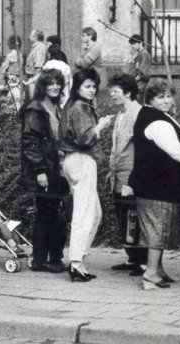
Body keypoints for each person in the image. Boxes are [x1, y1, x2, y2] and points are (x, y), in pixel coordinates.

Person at [131, 78, 180, 290]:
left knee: (161, 227)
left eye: (169, 96)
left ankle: (157, 269)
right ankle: (150, 274)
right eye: (161, 97)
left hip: (157, 184)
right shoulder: (155, 120)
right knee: (157, 229)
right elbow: (176, 152)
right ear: (150, 99)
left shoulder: (154, 115)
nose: (167, 101)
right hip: (156, 184)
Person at [59, 68, 112, 282]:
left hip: (73, 160)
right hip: (82, 159)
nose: (92, 90)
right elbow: (85, 138)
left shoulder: (71, 105)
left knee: (94, 213)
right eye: (87, 86)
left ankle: (79, 258)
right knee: (85, 214)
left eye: (94, 86)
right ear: (78, 87)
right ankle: (75, 263)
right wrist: (101, 126)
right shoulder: (81, 107)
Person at [20, 70, 68, 273]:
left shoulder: (55, 106)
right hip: (44, 169)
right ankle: (42, 259)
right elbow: (30, 141)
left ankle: (51, 257)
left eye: (58, 83)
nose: (55, 87)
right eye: (50, 83)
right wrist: (40, 170)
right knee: (46, 214)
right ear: (43, 86)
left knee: (53, 213)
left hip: (56, 168)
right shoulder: (35, 109)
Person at [106, 74, 147, 273]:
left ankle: (143, 261)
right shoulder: (120, 114)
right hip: (118, 175)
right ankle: (132, 258)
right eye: (111, 91)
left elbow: (141, 148)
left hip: (131, 175)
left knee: (134, 218)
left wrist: (136, 177)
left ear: (128, 93)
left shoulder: (138, 113)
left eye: (116, 91)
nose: (112, 95)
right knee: (123, 216)